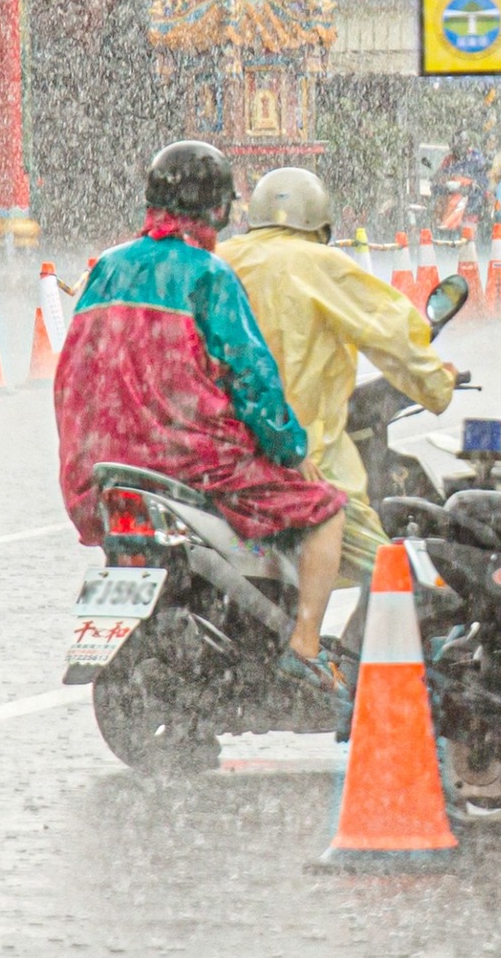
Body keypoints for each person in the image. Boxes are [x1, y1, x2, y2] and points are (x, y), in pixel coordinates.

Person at [54, 141, 347, 668]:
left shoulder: (106, 269)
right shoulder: (209, 275)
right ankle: (305, 647)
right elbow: (252, 379)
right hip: (194, 462)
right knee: (325, 509)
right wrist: (290, 448)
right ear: (219, 209)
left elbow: (70, 377)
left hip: (102, 467)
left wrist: (87, 447)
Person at [219, 167, 457, 578]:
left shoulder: (218, 259)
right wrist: (436, 386)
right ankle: (341, 639)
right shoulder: (320, 262)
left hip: (218, 455)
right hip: (302, 452)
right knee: (394, 578)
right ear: (320, 225)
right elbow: (393, 331)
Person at [431, 126, 489, 235]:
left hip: (471, 202)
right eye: (455, 147)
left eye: (459, 146)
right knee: (436, 206)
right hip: (450, 200)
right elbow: (438, 179)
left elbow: (483, 181)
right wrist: (442, 184)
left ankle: (471, 231)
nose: (456, 151)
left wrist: (470, 187)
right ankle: (441, 229)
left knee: (476, 206)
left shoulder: (476, 158)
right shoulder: (448, 160)